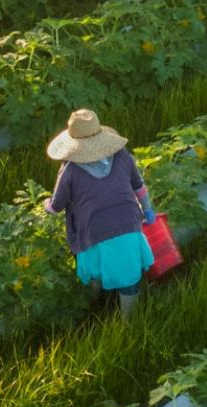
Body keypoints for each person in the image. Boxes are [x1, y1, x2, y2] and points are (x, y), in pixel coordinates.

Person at [44, 108, 157, 317]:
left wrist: (47, 206)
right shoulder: (122, 156)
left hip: (92, 229)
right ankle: (129, 320)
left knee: (95, 268)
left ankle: (96, 305)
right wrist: (148, 210)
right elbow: (139, 187)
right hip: (128, 224)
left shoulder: (70, 169)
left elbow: (57, 205)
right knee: (128, 273)